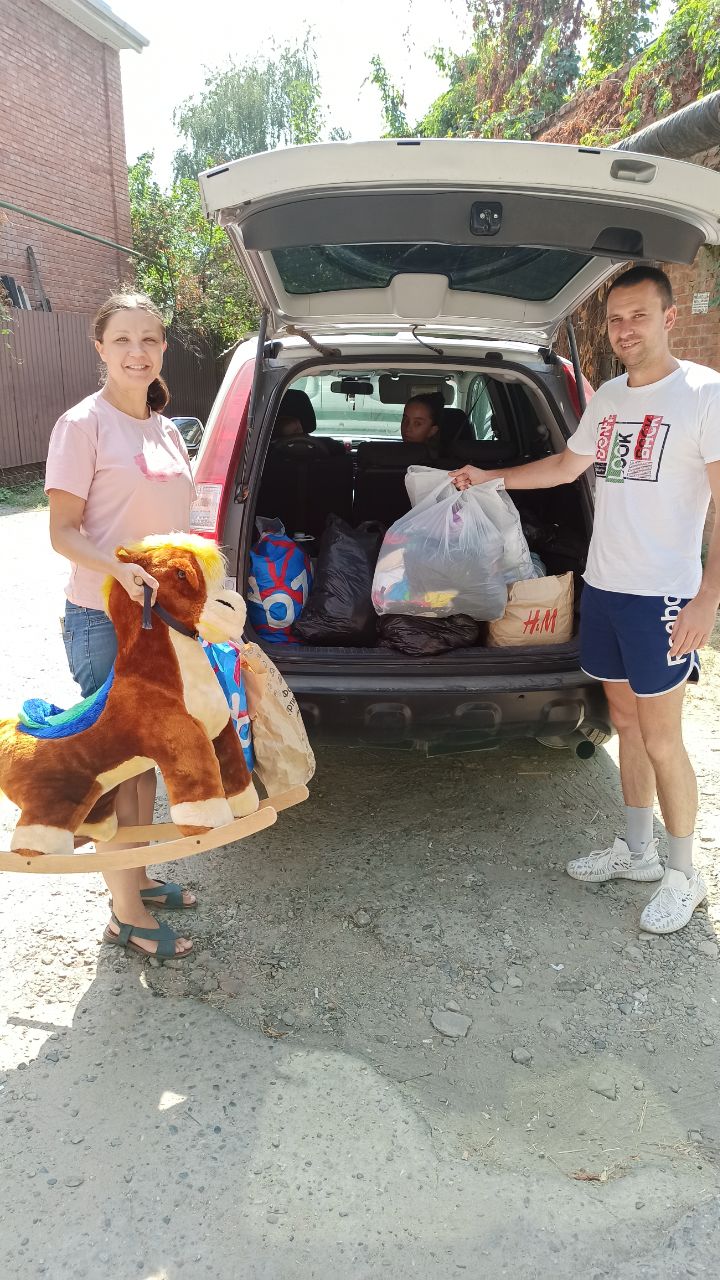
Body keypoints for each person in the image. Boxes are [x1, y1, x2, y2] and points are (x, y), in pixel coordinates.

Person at [451, 264, 720, 935]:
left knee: (662, 739)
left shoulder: (702, 395)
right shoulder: (607, 398)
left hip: (662, 595)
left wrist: (708, 598)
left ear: (669, 317)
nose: (626, 329)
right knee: (625, 723)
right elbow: (566, 467)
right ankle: (637, 852)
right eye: (616, 319)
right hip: (605, 586)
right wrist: (491, 478)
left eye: (639, 316)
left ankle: (685, 877)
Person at [45, 292, 197, 959]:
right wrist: (121, 569)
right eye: (124, 340)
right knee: (118, 768)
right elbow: (61, 533)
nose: (139, 352)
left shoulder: (164, 427)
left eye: (151, 340)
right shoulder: (84, 425)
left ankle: (135, 877)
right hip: (101, 620)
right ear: (99, 347)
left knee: (145, 766)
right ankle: (125, 913)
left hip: (154, 621)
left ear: (163, 348)